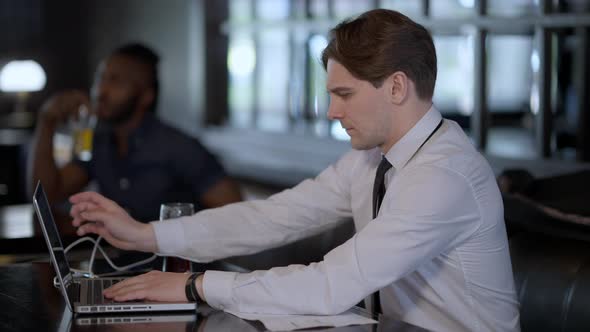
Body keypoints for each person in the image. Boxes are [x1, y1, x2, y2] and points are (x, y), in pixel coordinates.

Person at [69, 10, 520, 332]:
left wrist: (193, 285)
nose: (330, 111)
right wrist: (146, 235)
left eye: (344, 94)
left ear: (397, 86)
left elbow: (331, 285)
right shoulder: (372, 158)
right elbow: (274, 216)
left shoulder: (444, 176)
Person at [28, 43, 242, 221]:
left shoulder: (178, 147)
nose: (101, 91)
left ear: (145, 96)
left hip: (170, 267)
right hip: (114, 265)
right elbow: (47, 195)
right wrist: (46, 122)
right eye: (100, 78)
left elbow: (236, 215)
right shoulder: (98, 141)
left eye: (115, 81)